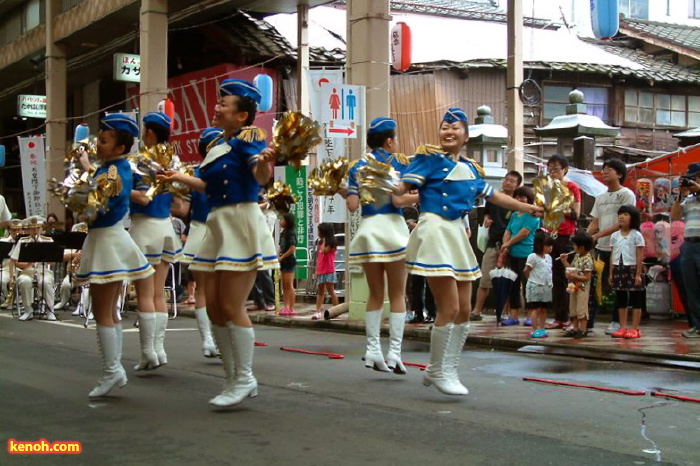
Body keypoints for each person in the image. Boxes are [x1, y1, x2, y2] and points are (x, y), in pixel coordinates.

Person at [394, 107, 542, 395]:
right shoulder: (428, 160)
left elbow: (495, 195)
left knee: (464, 308)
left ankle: (445, 369)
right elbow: (399, 191)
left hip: (457, 235)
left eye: (455, 128)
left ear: (466, 135)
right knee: (448, 307)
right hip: (435, 230)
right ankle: (437, 370)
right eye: (444, 127)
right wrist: (391, 184)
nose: (448, 132)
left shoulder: (473, 169)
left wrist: (528, 207)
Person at [160, 78, 279, 407]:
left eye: (224, 104)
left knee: (230, 306)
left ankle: (243, 378)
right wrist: (177, 178)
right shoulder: (216, 146)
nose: (216, 107)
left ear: (242, 115)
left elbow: (260, 176)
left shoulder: (248, 139)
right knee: (213, 307)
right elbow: (208, 187)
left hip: (240, 221)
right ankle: (233, 378)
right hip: (216, 225)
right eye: (218, 102)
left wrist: (266, 161)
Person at [75, 113, 154, 397]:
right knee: (108, 311)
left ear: (120, 148)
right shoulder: (116, 168)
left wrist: (85, 170)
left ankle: (112, 371)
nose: (99, 145)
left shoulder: (112, 171)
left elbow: (97, 201)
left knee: (103, 311)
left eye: (105, 140)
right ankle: (113, 369)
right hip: (108, 238)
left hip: (107, 239)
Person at [345, 116, 417, 372]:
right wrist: (420, 195)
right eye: (394, 138)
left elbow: (353, 206)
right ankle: (394, 354)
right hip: (393, 232)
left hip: (368, 232)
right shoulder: (400, 163)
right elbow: (398, 201)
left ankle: (372, 350)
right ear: (388, 141)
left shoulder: (357, 166)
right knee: (398, 294)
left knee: (375, 294)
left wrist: (337, 188)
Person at [130, 111, 184, 371]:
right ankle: (159, 349)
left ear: (150, 132)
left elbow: (140, 197)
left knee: (144, 293)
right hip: (166, 227)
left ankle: (147, 352)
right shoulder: (174, 160)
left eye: (144, 130)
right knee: (159, 292)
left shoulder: (141, 160)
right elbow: (181, 205)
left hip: (144, 228)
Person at [179, 127, 221, 358]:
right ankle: (209, 339)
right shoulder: (201, 173)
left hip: (214, 230)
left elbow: (182, 209)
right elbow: (182, 208)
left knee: (211, 290)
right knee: (211, 290)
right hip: (209, 231)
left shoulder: (192, 173)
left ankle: (212, 339)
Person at [586, 158, 636, 334]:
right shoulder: (600, 197)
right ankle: (588, 321)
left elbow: (623, 222)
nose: (605, 171)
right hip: (601, 248)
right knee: (594, 285)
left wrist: (598, 234)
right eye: (604, 168)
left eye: (610, 169)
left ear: (620, 174)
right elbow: (595, 221)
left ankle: (616, 321)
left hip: (620, 247)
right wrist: (586, 236)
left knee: (619, 285)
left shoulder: (627, 195)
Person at [471, 170, 522, 321]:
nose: (508, 182)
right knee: (485, 279)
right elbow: (487, 213)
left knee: (508, 280)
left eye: (512, 181)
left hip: (511, 246)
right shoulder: (493, 198)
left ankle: (506, 313)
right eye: (506, 179)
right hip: (493, 243)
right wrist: (487, 219)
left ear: (517, 185)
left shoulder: (518, 203)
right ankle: (476, 311)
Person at [544, 155, 582, 330]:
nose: (552, 172)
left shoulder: (572, 187)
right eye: (550, 169)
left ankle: (570, 317)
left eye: (556, 169)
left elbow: (576, 214)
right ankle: (559, 317)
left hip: (566, 236)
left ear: (565, 169)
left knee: (568, 277)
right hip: (551, 235)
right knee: (556, 278)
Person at [500, 186, 540, 326]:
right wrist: (506, 245)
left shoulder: (533, 215)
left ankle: (530, 316)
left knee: (528, 285)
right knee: (513, 285)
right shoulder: (514, 215)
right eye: (518, 197)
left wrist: (508, 244)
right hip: (512, 254)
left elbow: (524, 233)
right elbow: (508, 231)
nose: (520, 199)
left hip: (526, 255)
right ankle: (514, 316)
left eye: (523, 197)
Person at [604, 205, 645, 339]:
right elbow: (612, 255)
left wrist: (638, 274)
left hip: (632, 268)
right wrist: (611, 273)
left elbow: (639, 255)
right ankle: (622, 327)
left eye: (626, 214)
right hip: (618, 267)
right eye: (620, 214)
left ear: (632, 218)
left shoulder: (636, 235)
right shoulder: (615, 236)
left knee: (635, 298)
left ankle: (634, 328)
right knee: (620, 297)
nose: (621, 217)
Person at [671, 163, 700, 338]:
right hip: (689, 244)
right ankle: (697, 326)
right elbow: (674, 216)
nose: (692, 181)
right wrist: (680, 196)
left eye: (695, 177)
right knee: (692, 288)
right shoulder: (688, 200)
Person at [11, 217, 57, 321]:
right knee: (24, 281)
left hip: (43, 270)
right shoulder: (23, 241)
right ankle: (28, 310)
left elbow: (53, 262)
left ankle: (50, 310)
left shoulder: (48, 241)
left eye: (37, 228)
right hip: (27, 271)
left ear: (42, 229)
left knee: (45, 282)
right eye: (32, 229)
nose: (35, 231)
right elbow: (15, 261)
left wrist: (43, 258)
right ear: (28, 229)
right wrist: (27, 263)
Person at [560, 232, 594, 338]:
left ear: (582, 247)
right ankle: (575, 328)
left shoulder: (588, 260)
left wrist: (574, 276)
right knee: (573, 307)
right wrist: (564, 261)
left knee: (581, 307)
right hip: (573, 286)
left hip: (582, 287)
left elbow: (587, 277)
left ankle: (582, 329)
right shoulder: (577, 256)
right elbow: (572, 268)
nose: (573, 247)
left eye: (574, 245)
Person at [406, 218, 436, 324]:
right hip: (416, 248)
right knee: (415, 283)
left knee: (430, 283)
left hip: (430, 247)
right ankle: (418, 313)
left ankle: (431, 313)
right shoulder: (413, 208)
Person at [524, 233, 554, 338]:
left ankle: (542, 328)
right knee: (535, 308)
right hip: (535, 285)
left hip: (546, 286)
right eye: (548, 246)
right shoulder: (532, 257)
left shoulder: (549, 258)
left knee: (544, 309)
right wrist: (532, 281)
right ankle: (534, 328)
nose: (550, 248)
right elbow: (526, 271)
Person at [313, 223, 339, 321]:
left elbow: (324, 251)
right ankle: (317, 311)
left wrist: (324, 240)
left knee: (331, 290)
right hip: (321, 269)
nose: (318, 233)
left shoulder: (331, 242)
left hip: (329, 270)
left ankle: (336, 310)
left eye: (319, 231)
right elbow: (319, 257)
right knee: (320, 291)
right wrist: (316, 270)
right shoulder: (320, 242)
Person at [278, 212, 298, 316]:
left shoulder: (291, 233)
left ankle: (291, 307)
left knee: (289, 285)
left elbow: (292, 248)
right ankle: (285, 307)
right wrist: (278, 256)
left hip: (289, 261)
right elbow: (280, 247)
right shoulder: (283, 233)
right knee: (284, 285)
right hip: (283, 261)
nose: (280, 221)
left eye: (282, 219)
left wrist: (282, 257)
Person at [0, 219, 22, 305]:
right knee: (1, 281)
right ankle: (7, 298)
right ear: (9, 230)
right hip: (6, 267)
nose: (16, 232)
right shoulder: (3, 242)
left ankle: (16, 299)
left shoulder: (25, 241)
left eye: (18, 229)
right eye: (13, 230)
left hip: (20, 267)